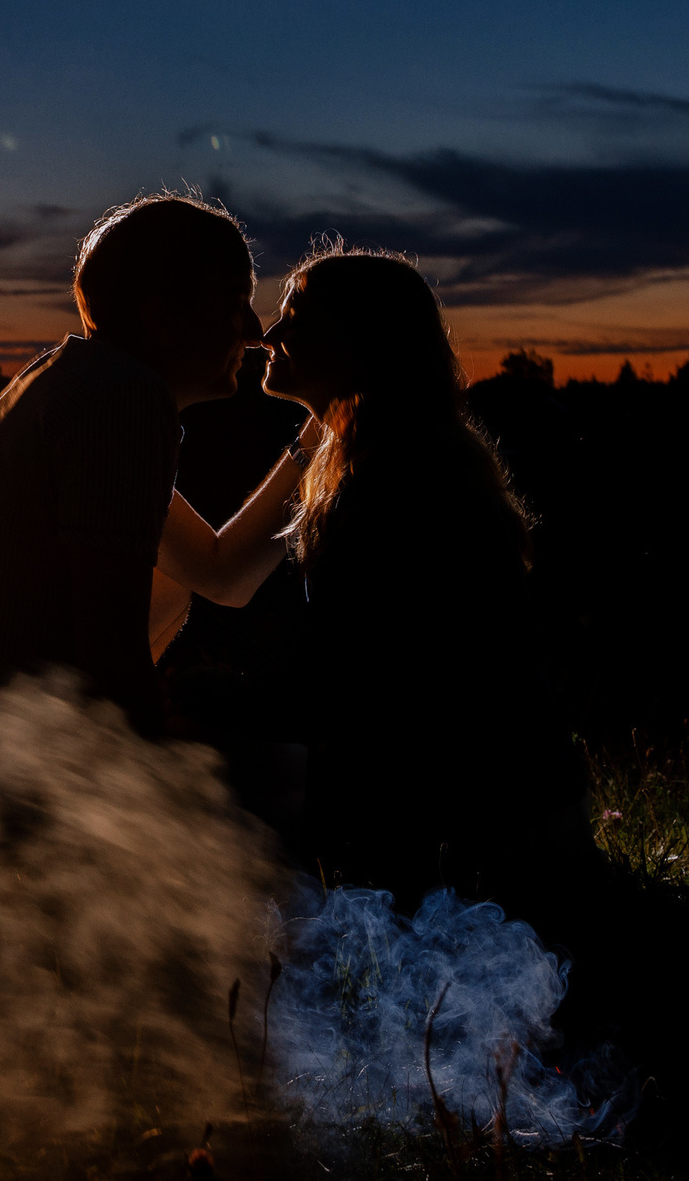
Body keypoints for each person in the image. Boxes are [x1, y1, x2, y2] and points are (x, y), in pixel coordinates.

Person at [0, 194, 316, 797]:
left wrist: (321, 432)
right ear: (162, 319)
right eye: (235, 304)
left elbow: (218, 572)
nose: (256, 334)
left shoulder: (82, 380)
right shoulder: (121, 404)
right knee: (285, 783)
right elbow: (112, 659)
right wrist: (152, 799)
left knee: (174, 582)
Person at [247, 242, 583, 901]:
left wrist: (222, 703)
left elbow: (377, 680)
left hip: (481, 830)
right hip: (483, 806)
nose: (270, 333)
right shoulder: (376, 457)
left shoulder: (401, 480)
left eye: (296, 317)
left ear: (362, 342)